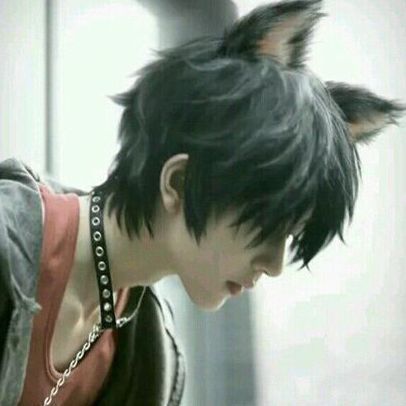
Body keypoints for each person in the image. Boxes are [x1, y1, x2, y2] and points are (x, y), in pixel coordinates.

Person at [0, 0, 403, 405]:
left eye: (290, 236)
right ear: (178, 182)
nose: (275, 265)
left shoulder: (150, 360)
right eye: (265, 225)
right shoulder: (11, 251)